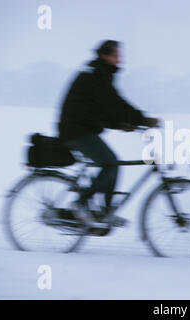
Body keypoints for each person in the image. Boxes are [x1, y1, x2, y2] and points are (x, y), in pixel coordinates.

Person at [58, 40, 159, 229]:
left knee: (112, 164)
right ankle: (79, 205)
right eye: (115, 56)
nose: (119, 60)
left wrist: (123, 124)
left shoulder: (99, 74)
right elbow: (113, 103)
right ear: (104, 55)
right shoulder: (96, 75)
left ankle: (104, 212)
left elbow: (102, 109)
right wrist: (141, 119)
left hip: (81, 127)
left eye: (119, 56)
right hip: (75, 130)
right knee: (110, 163)